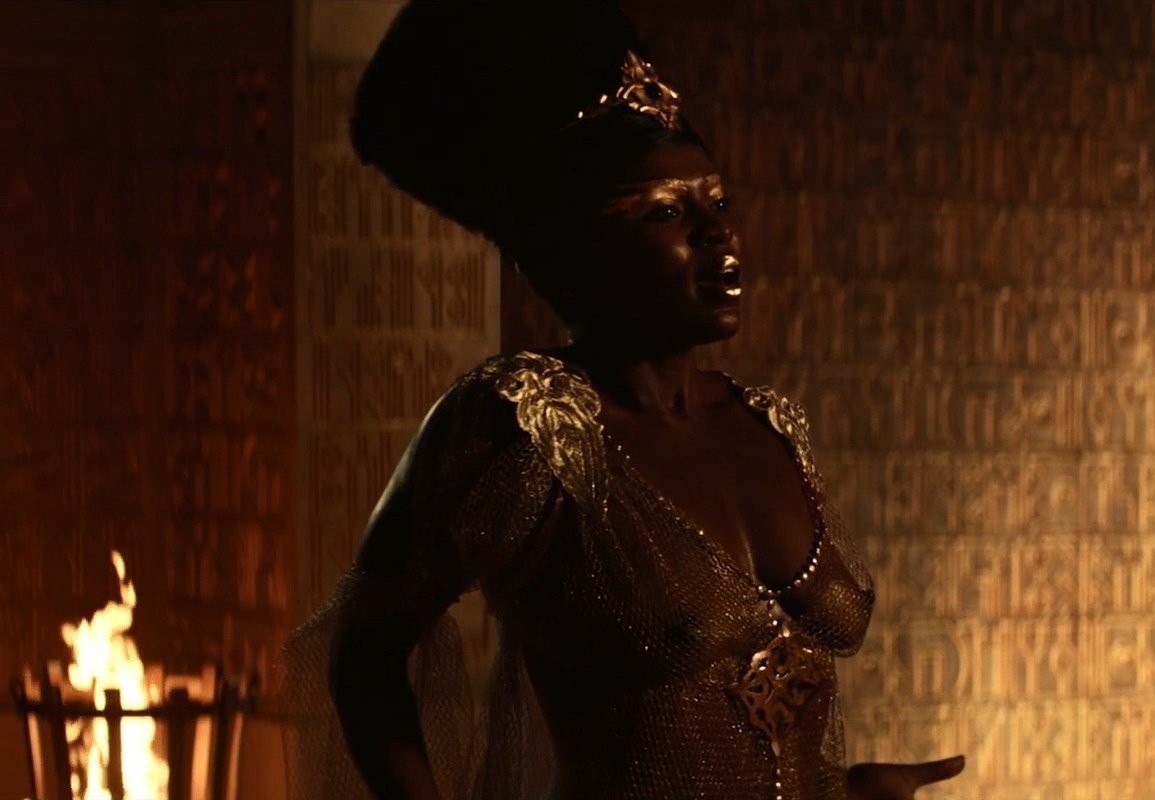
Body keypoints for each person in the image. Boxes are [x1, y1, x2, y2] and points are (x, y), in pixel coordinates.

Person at [279, 2, 965, 798]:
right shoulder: (523, 426)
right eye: (667, 211)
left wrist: (841, 789)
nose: (717, 234)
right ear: (572, 255)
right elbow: (363, 659)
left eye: (718, 203)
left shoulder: (769, 424)